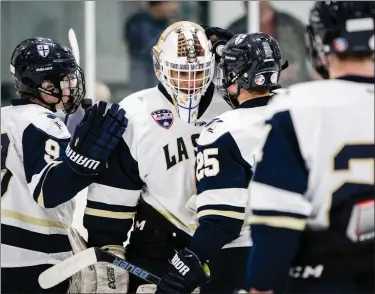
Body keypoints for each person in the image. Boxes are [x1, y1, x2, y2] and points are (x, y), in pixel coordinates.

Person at [61, 21, 235, 293]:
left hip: (227, 245)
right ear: (159, 68)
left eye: (198, 73)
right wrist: (109, 252)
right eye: (180, 73)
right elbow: (112, 200)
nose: (190, 83)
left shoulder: (231, 106)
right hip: (159, 249)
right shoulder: (136, 113)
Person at [244, 1, 375, 293]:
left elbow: (276, 217)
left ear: (321, 41)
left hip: (322, 275)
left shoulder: (297, 106)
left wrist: (261, 283)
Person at [155, 32, 288, 294]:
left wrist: (189, 261)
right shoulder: (304, 110)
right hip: (314, 251)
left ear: (238, 77)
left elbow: (222, 220)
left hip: (247, 258)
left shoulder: (225, 130)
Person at [1, 37, 126, 293]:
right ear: (45, 85)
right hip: (34, 258)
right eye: (66, 78)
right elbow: (49, 191)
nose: (72, 84)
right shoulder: (42, 121)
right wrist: (86, 162)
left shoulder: (6, 117)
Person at [227, 0, 320, 87]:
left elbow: (314, 58)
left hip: (292, 91)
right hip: (253, 94)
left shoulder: (292, 25)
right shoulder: (235, 31)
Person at [124, 1, 179, 92]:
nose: (174, 7)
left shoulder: (167, 22)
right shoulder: (139, 23)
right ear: (158, 5)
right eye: (171, 3)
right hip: (143, 78)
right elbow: (147, 49)